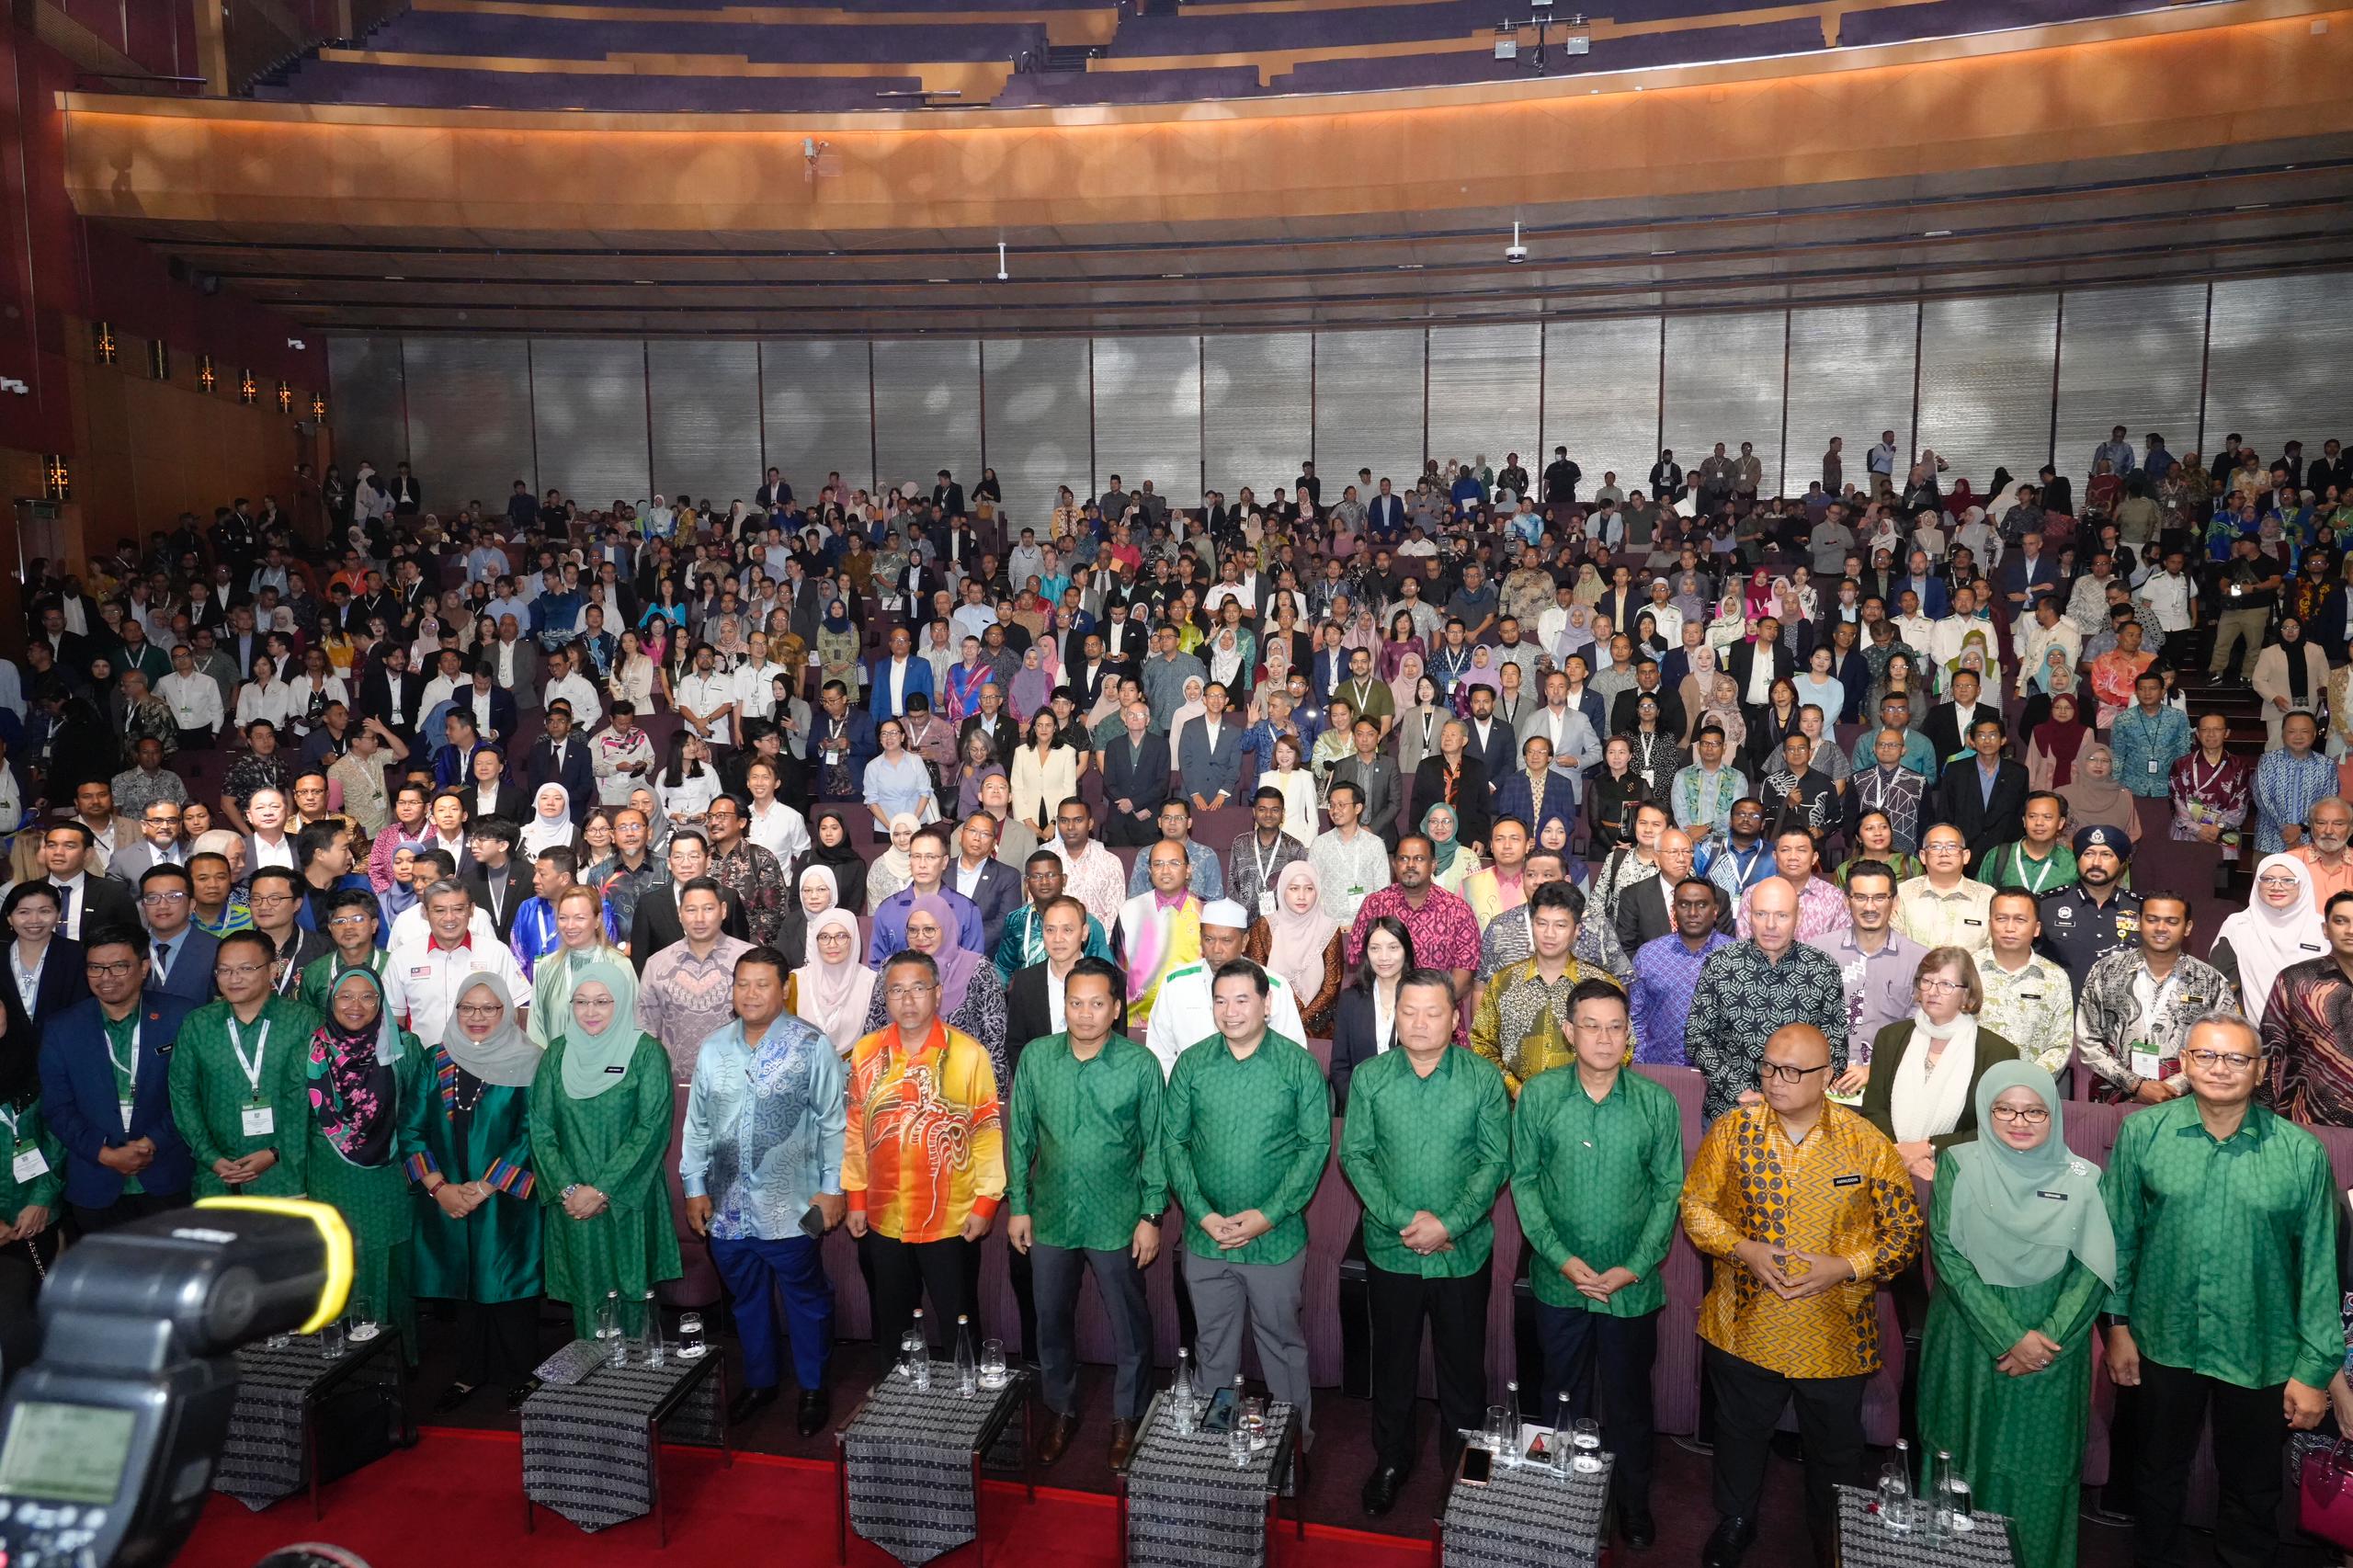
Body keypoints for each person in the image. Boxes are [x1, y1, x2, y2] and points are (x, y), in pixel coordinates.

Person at [1681, 1022, 1924, 1568]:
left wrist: (1846, 1267)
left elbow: (1905, 1234)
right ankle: (1735, 1520)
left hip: (1835, 1333)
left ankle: (1833, 1535)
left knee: (1835, 1450)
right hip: (1745, 1323)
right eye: (1768, 1066)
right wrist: (1744, 1249)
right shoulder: (1734, 1131)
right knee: (1739, 1435)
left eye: (1792, 1071)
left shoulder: (1866, 1143)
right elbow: (1695, 1207)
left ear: (1827, 1076)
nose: (1775, 1080)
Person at [2103, 1016, 2338, 1568]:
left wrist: (2314, 1370)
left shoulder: (2301, 1153)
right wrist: (2116, 1327)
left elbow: (2320, 1268)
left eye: (2237, 1058)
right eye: (2206, 1055)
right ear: (2185, 1062)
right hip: (2162, 1338)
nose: (2220, 1068)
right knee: (2155, 1476)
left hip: (2262, 1347)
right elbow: (2117, 1238)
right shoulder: (2144, 1133)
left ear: (2260, 1070)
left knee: (2253, 1490)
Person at [1916, 1062, 2111, 1568]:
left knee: (2037, 1469)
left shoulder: (2086, 1179)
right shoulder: (1958, 1165)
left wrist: (2043, 1341)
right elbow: (1948, 1256)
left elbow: (2093, 1272)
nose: (2018, 1121)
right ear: (1986, 1111)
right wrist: (2008, 1336)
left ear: (2054, 1116)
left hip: (2050, 1354)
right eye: (2004, 1109)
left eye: (2034, 1112)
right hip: (1967, 1342)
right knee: (1958, 1459)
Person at [1514, 978, 1682, 1548]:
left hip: (1630, 1287)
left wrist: (1635, 1266)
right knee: (1559, 1397)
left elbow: (1668, 1192)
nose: (1604, 1038)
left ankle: (1632, 1504)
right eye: (1591, 1026)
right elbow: (1524, 1183)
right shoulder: (1539, 1096)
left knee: (1629, 1402)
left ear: (1629, 1034)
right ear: (1569, 1032)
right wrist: (1560, 1259)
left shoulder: (1656, 1102)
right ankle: (1559, 1501)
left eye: (1615, 1027)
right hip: (1559, 1282)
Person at [1342, 967, 1509, 1516]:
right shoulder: (1370, 1077)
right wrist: (1402, 1220)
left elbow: (1495, 1161)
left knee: (1464, 1370)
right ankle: (1391, 1462)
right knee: (1392, 1366)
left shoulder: (1482, 1078)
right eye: (1408, 1011)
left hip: (1462, 1252)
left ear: (1454, 1017)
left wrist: (1449, 1224)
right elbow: (1355, 1156)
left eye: (1432, 1012)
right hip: (1391, 1250)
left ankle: (1468, 1474)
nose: (1419, 1023)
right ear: (1395, 1015)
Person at [1161, 959, 1330, 1444]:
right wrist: (1202, 1215)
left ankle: (1291, 1448)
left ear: (1266, 1003)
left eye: (1242, 999)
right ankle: (1215, 1444)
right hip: (1207, 1239)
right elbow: (1173, 1144)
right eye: (1220, 1000)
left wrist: (1268, 1216)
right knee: (1212, 1346)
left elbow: (1315, 1148)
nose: (1230, 1011)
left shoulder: (1298, 1065)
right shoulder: (1192, 1064)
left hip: (1275, 1240)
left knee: (1281, 1345)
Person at [1006, 956, 1164, 1471]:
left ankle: (1128, 1417)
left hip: (1118, 1217)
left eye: (1097, 1003)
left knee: (1129, 1326)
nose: (1085, 1013)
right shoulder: (1037, 1058)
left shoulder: (1140, 1065)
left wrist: (1151, 1215)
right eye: (1076, 1003)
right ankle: (1061, 1410)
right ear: (1064, 1006)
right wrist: (1019, 1206)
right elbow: (1020, 1136)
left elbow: (1156, 1145)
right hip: (1050, 1215)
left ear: (1116, 1009)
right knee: (1050, 1321)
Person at [682, 946, 847, 1434]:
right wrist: (694, 1186)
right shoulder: (713, 1047)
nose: (750, 994)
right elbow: (697, 1125)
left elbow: (834, 1123)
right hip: (726, 1207)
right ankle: (760, 1382)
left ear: (784, 989)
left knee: (806, 1299)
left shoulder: (811, 1045)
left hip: (791, 1205)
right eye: (742, 984)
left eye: (762, 984)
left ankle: (813, 1387)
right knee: (746, 1300)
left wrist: (832, 1190)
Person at [843, 949, 1004, 1353]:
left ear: (938, 992)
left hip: (951, 1217)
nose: (908, 1000)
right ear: (885, 997)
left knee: (958, 1321)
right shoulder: (866, 1052)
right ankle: (894, 1390)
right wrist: (856, 1198)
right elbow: (857, 1130)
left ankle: (964, 1393)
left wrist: (986, 1204)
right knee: (893, 1323)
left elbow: (986, 1134)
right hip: (884, 1214)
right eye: (896, 990)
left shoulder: (968, 1054)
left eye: (918, 988)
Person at [400, 973, 547, 1413]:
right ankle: (469, 1372)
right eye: (467, 1007)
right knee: (464, 1285)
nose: (477, 1017)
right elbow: (411, 1129)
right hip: (448, 1197)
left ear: (507, 1011)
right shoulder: (436, 1058)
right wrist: (440, 1188)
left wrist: (484, 1187)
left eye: (489, 1008)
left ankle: (522, 1374)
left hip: (506, 1198)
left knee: (510, 1285)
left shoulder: (530, 1060)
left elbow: (532, 1133)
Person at [529, 960, 682, 1338]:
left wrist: (601, 1190)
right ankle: (592, 1374)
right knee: (588, 1296)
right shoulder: (556, 1054)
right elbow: (541, 1129)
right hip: (573, 1201)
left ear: (622, 1002)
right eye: (581, 1001)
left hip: (630, 1197)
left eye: (602, 1001)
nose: (590, 1011)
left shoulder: (646, 1053)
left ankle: (638, 1375)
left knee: (634, 1293)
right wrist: (570, 1190)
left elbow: (651, 1130)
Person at [38, 925, 197, 1231]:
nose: (106, 977)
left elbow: (191, 1093)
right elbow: (57, 1108)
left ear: (144, 968)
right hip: (94, 1181)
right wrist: (105, 1154)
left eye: (119, 966)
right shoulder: (62, 1027)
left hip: (166, 1174)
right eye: (95, 968)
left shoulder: (181, 1016)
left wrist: (153, 1141)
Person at [304, 966, 426, 1355]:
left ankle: (396, 1362)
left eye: (367, 996)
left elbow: (417, 1116)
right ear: (330, 1001)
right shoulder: (309, 1050)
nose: (355, 1005)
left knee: (391, 1270)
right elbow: (296, 1122)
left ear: (381, 1003)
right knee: (341, 1266)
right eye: (345, 996)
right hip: (330, 1178)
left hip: (390, 1179)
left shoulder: (404, 1047)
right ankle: (344, 1365)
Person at [166, 928, 321, 1198]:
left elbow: (322, 1098)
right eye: (224, 970)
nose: (234, 978)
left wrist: (276, 1152)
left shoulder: (305, 1022)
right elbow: (182, 1094)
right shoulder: (198, 1024)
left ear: (272, 970)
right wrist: (209, 1156)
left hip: (288, 1175)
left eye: (246, 968)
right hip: (216, 1177)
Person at [1683, 879, 1850, 1120]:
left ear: (1798, 918)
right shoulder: (1720, 963)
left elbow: (1835, 1048)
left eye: (1782, 915)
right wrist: (1739, 1090)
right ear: (1749, 916)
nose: (1770, 925)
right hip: (1730, 1110)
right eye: (1761, 914)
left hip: (1799, 1117)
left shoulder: (1822, 968)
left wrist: (1794, 1095)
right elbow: (1697, 1037)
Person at [1858, 947, 2018, 1180]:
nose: (1933, 991)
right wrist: (1900, 1154)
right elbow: (1873, 1109)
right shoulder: (1890, 1037)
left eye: (1946, 985)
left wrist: (1928, 1148)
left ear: (1967, 995)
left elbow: (1994, 1129)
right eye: (1927, 982)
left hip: (1959, 1171)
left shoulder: (1998, 1052)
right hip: (1887, 1162)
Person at [2073, 892, 2239, 1103]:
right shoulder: (2105, 971)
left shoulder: (2210, 981)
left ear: (2187, 927)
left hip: (2186, 1102)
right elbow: (2088, 1039)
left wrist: (2174, 1087)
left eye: (2172, 921)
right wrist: (2135, 1085)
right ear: (2138, 922)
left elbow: (2227, 1044)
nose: (2161, 928)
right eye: (2152, 920)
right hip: (2114, 1098)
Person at [1469, 882, 1627, 1095]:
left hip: (1583, 1106)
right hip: (1515, 1106)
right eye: (1542, 923)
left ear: (1577, 930)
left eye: (1560, 925)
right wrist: (1516, 1090)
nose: (1549, 934)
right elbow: (1482, 1044)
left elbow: (1625, 1045)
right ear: (1532, 925)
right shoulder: (1502, 982)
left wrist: (1587, 1092)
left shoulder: (1602, 985)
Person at [2211, 853, 2325, 1032]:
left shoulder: (2322, 928)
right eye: (2268, 879)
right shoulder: (2238, 925)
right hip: (2251, 1036)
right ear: (2257, 883)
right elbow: (2221, 984)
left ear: (2303, 884)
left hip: (2314, 1037)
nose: (2276, 887)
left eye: (2288, 880)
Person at [1629, 877, 1732, 1064]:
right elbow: (1636, 1017)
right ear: (1674, 910)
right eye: (1684, 905)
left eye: (1702, 905)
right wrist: (1638, 1065)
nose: (1693, 913)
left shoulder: (1737, 956)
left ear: (1715, 910)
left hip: (1721, 1073)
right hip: (1658, 1069)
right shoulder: (1649, 955)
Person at [1976, 890, 2075, 1076]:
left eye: (2020, 920)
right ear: (1990, 924)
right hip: (1969, 1084)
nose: (2010, 928)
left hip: (2029, 1087)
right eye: (2001, 919)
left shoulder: (2055, 978)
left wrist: (2026, 1081)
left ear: (2037, 929)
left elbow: (2060, 1046)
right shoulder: (1966, 969)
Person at [2035, 824, 2144, 993]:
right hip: (2063, 1006)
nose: (2096, 863)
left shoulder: (2141, 908)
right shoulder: (2046, 905)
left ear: (2122, 862)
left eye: (2106, 855)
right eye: (2089, 854)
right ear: (2077, 859)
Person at [1252, 861, 1343, 1038]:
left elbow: (1331, 989)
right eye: (1294, 888)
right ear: (1282, 890)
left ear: (1317, 891)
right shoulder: (1265, 926)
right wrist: (1275, 1021)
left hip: (1313, 1025)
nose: (1302, 896)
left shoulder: (1329, 929)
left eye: (1309, 889)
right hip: (1269, 1020)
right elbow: (1256, 979)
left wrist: (1296, 1022)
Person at [1892, 824, 1993, 953]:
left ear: (1966, 855)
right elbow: (1894, 943)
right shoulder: (1903, 893)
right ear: (1923, 856)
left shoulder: (1987, 896)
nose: (1944, 853)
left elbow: (1996, 947)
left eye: (1952, 846)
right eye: (1935, 847)